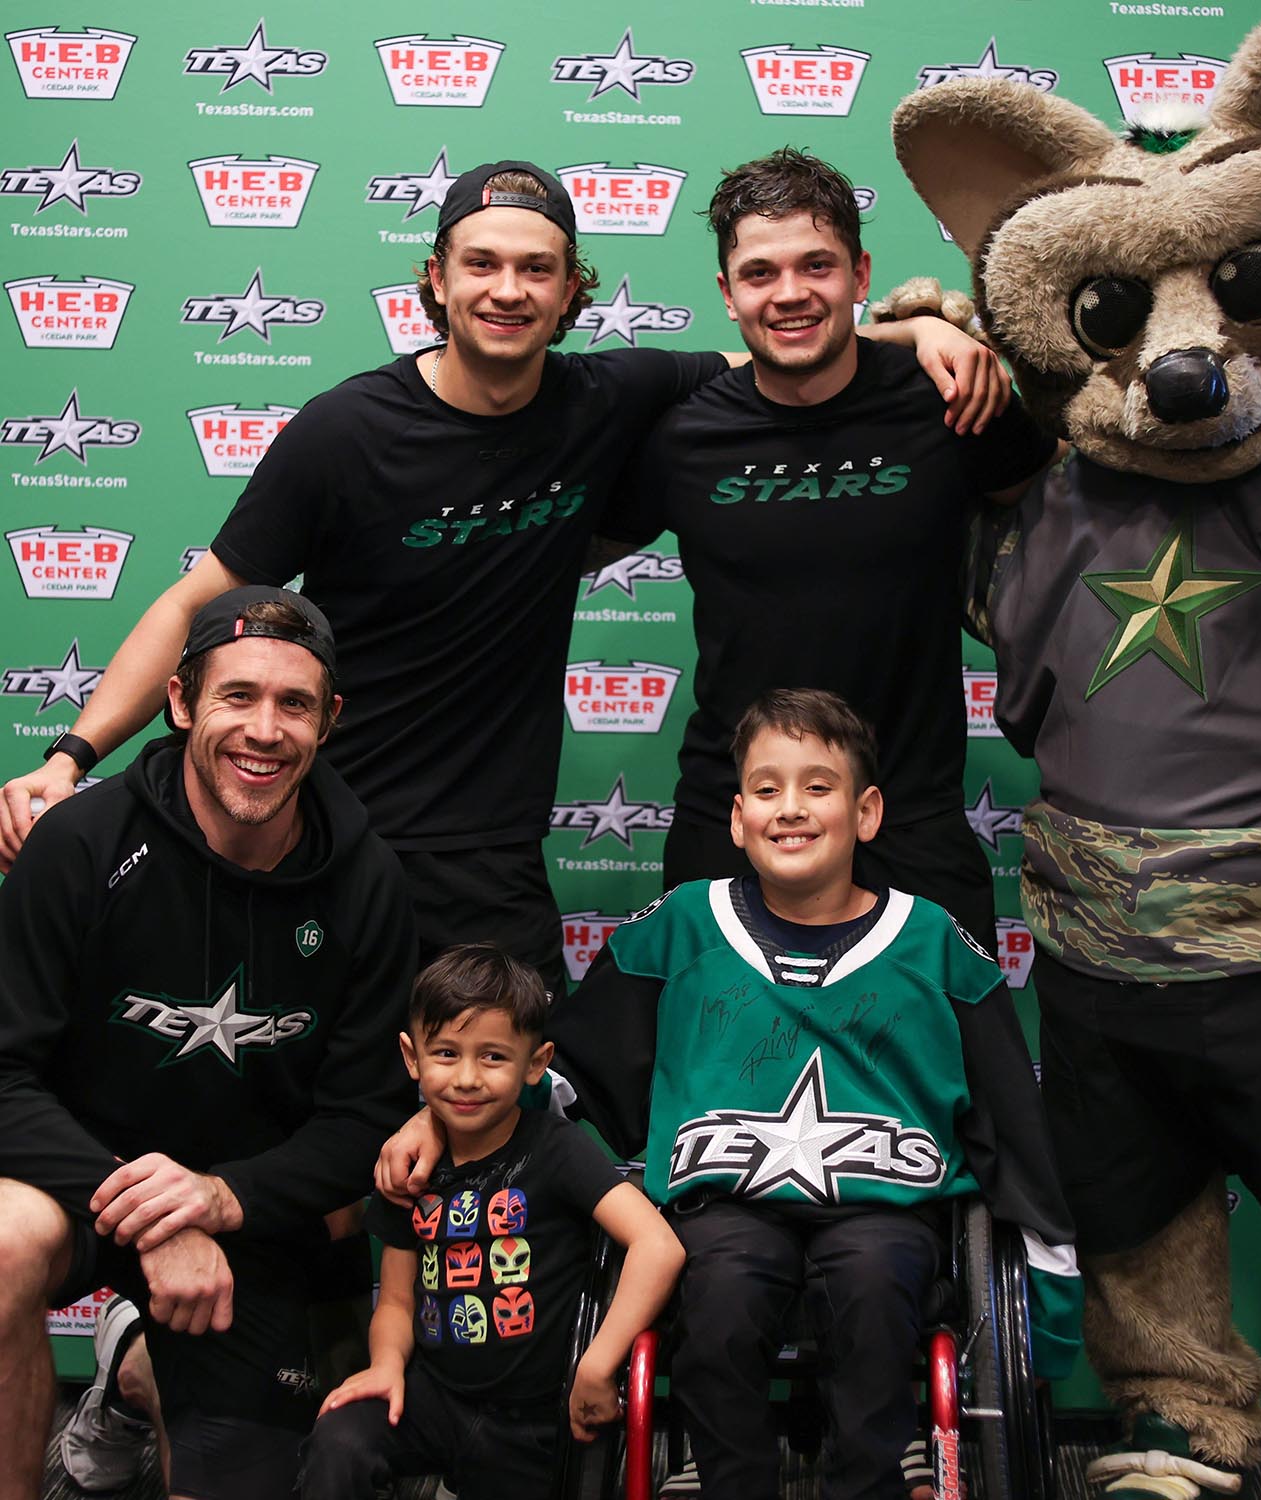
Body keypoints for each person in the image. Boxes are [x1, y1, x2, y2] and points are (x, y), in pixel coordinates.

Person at [0, 159, 1002, 999]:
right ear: (435, 281)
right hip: (323, 825)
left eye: (536, 268)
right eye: (481, 264)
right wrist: (70, 754)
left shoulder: (617, 398)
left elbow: (790, 347)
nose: (508, 290)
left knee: (518, 1120)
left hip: (491, 857)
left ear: (571, 292)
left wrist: (918, 333)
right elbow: (199, 601)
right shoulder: (345, 432)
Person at [383, 689, 1081, 1500]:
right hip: (723, 1206)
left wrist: (1050, 1299)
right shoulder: (681, 926)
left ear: (866, 813)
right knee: (718, 1294)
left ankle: (878, 1474)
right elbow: (563, 1072)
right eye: (767, 788)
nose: (792, 808)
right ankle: (724, 1476)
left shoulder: (933, 942)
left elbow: (1012, 1123)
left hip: (885, 1210)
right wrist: (440, 1121)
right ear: (739, 817)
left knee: (874, 1283)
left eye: (818, 787)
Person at [0, 585, 417, 1500]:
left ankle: (136, 1370)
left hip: (246, 1221)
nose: (264, 730)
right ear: (182, 702)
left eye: (294, 704)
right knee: (2, 1240)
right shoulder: (79, 845)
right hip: (77, 1184)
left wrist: (220, 1199)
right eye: (238, 696)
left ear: (329, 721)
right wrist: (154, 1215)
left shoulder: (369, 884)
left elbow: (363, 1123)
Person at [591, 149, 1061, 948]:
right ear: (727, 293)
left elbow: (1078, 516)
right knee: (712, 1032)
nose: (790, 293)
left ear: (859, 273)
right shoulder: (682, 434)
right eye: (760, 273)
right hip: (734, 817)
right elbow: (554, 552)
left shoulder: (950, 399)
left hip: (908, 817)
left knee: (949, 1032)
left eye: (817, 265)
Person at [299, 944, 683, 1500]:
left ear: (536, 1063)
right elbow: (398, 1302)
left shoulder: (556, 1149)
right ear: (411, 1056)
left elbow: (658, 1246)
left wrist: (598, 1364)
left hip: (537, 1420)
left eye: (493, 1057)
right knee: (340, 1441)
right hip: (434, 1397)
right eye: (445, 1053)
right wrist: (385, 1365)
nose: (467, 1078)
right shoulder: (411, 1168)